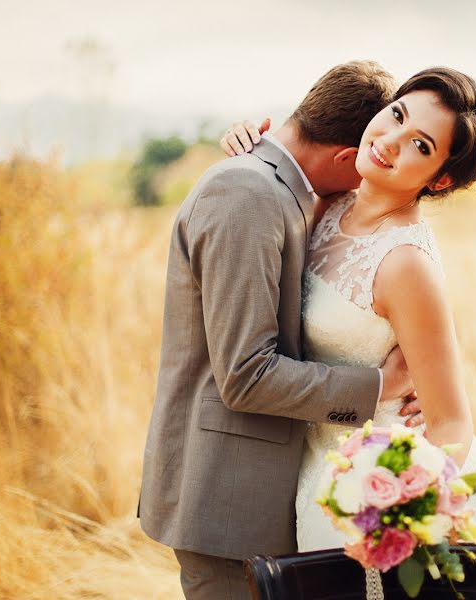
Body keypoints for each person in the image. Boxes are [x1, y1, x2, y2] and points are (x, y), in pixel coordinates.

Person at [221, 66, 476, 599]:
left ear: (439, 178)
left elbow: (452, 423)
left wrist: (398, 513)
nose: (390, 141)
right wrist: (249, 148)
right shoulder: (331, 204)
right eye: (396, 115)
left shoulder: (405, 263)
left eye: (419, 144)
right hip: (314, 480)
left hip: (374, 495)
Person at [138, 61, 426, 600]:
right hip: (226, 506)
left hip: (265, 497)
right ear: (345, 155)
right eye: (361, 166)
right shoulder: (247, 194)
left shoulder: (279, 188)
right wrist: (380, 387)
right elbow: (245, 376)